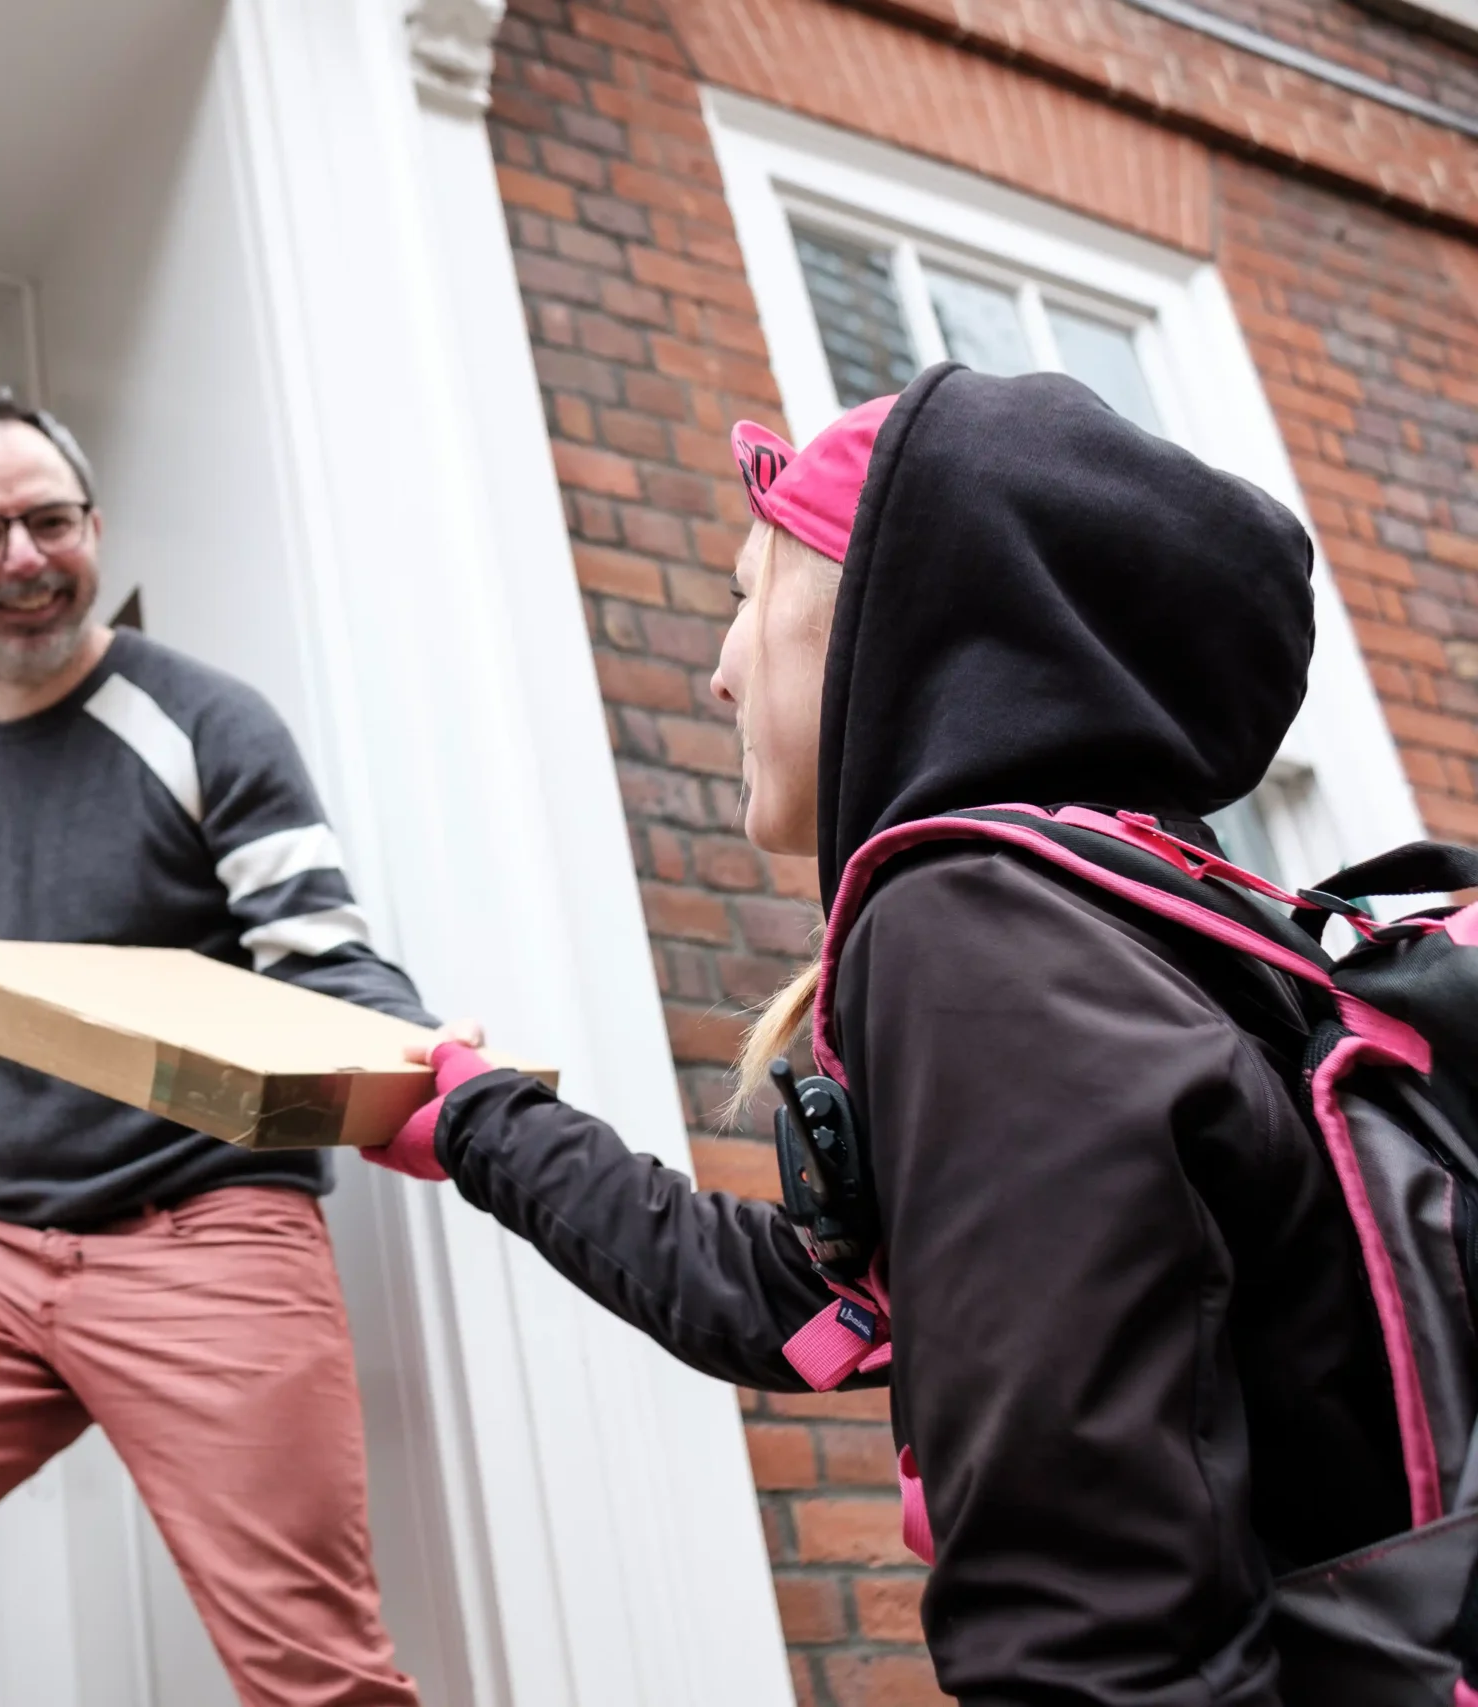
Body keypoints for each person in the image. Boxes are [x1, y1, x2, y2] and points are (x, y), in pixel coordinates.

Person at [366, 364, 1406, 1703]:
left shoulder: (978, 932)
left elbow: (1091, 1626)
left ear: (874, 616)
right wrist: (478, 1117)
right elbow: (793, 1301)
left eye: (746, 599)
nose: (721, 670)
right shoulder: (1145, 910)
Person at [0, 389, 431, 1707]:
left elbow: (324, 952)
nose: (24, 561)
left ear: (93, 526)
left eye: (50, 520)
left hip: (209, 1231)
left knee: (314, 1670)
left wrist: (423, 1060)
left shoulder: (204, 723)